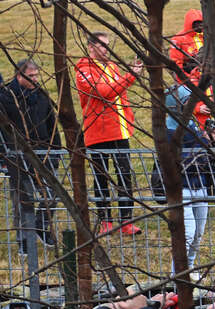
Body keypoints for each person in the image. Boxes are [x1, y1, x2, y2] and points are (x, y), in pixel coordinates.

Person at [76, 31, 143, 236]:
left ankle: (126, 220)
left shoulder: (112, 67)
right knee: (101, 177)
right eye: (102, 45)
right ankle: (105, 220)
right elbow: (104, 92)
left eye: (108, 45)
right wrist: (130, 76)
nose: (106, 49)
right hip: (98, 132)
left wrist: (128, 119)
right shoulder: (83, 69)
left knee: (124, 175)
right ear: (90, 47)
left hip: (120, 130)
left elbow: (119, 94)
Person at [0, 59, 60, 252]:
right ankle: (24, 241)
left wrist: (55, 151)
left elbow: (52, 125)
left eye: (36, 75)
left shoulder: (42, 95)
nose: (35, 79)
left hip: (44, 153)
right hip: (17, 155)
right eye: (30, 76)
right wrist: (5, 155)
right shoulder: (6, 97)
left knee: (53, 192)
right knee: (22, 199)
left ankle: (41, 226)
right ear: (19, 75)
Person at [165, 73, 212, 280]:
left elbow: (201, 148)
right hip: (181, 187)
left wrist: (208, 140)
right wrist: (205, 144)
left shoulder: (191, 123)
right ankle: (179, 272)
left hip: (199, 183)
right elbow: (184, 158)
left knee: (199, 233)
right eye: (188, 102)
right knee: (188, 233)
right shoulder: (168, 130)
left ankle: (190, 267)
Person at [168, 10, 205, 77]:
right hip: (188, 79)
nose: (201, 26)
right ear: (190, 24)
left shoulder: (205, 37)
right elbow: (177, 66)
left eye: (202, 23)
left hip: (206, 77)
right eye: (197, 23)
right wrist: (189, 80)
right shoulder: (178, 40)